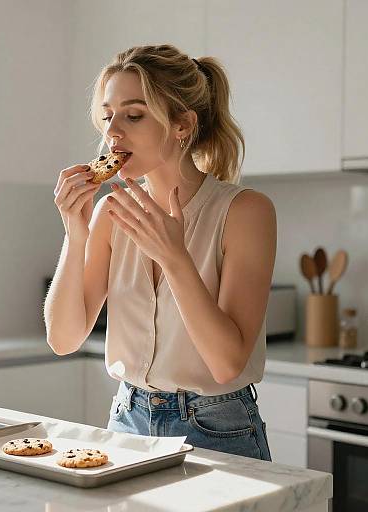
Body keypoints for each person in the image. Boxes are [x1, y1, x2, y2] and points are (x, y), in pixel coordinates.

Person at [45, 44, 277, 461]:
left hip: (217, 429)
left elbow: (226, 364)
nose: (112, 131)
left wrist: (175, 258)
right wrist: (74, 233)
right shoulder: (108, 213)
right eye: (108, 115)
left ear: (182, 125)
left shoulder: (245, 212)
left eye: (134, 115)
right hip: (127, 422)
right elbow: (63, 339)